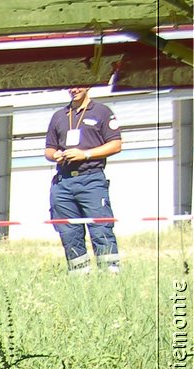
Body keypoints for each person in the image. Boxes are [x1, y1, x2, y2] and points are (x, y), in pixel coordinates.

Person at [45, 86, 123, 274]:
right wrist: (55, 155)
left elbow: (116, 144)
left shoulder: (102, 112)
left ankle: (110, 275)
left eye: (79, 85)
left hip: (91, 179)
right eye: (70, 86)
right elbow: (48, 149)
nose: (74, 89)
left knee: (101, 228)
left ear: (87, 86)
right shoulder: (59, 115)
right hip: (63, 183)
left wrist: (85, 155)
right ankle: (79, 276)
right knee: (68, 232)